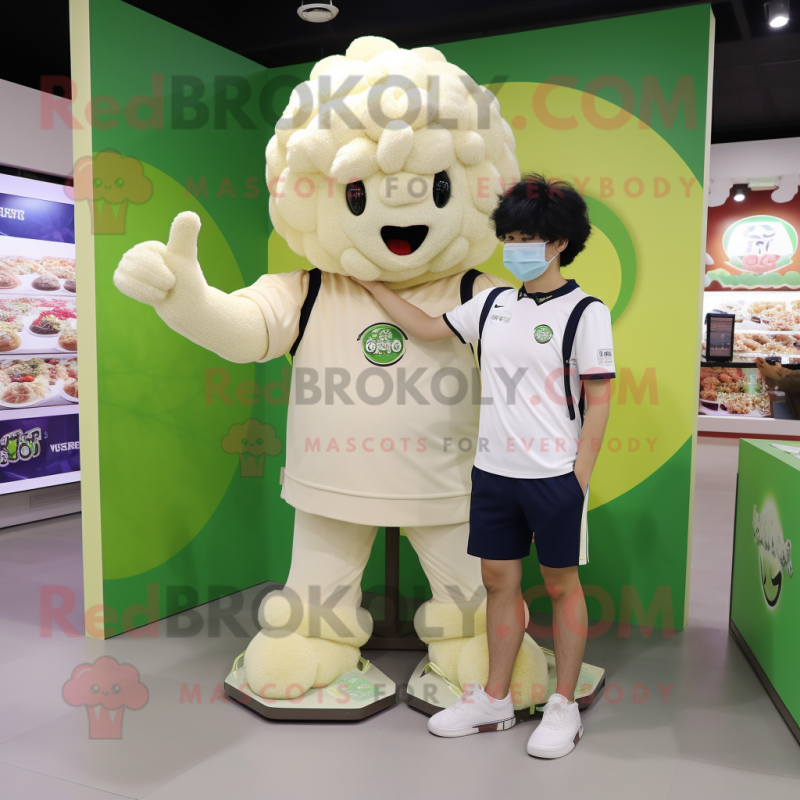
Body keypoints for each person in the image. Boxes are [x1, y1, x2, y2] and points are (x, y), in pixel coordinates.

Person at [352, 174, 615, 759]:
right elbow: (427, 328)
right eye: (511, 235)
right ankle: (495, 699)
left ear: (559, 243)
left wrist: (578, 478)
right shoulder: (493, 303)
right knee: (498, 583)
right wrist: (373, 284)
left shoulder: (585, 312)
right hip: (493, 474)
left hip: (554, 477)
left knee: (561, 586)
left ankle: (563, 707)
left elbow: (599, 399)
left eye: (529, 237)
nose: (517, 247)